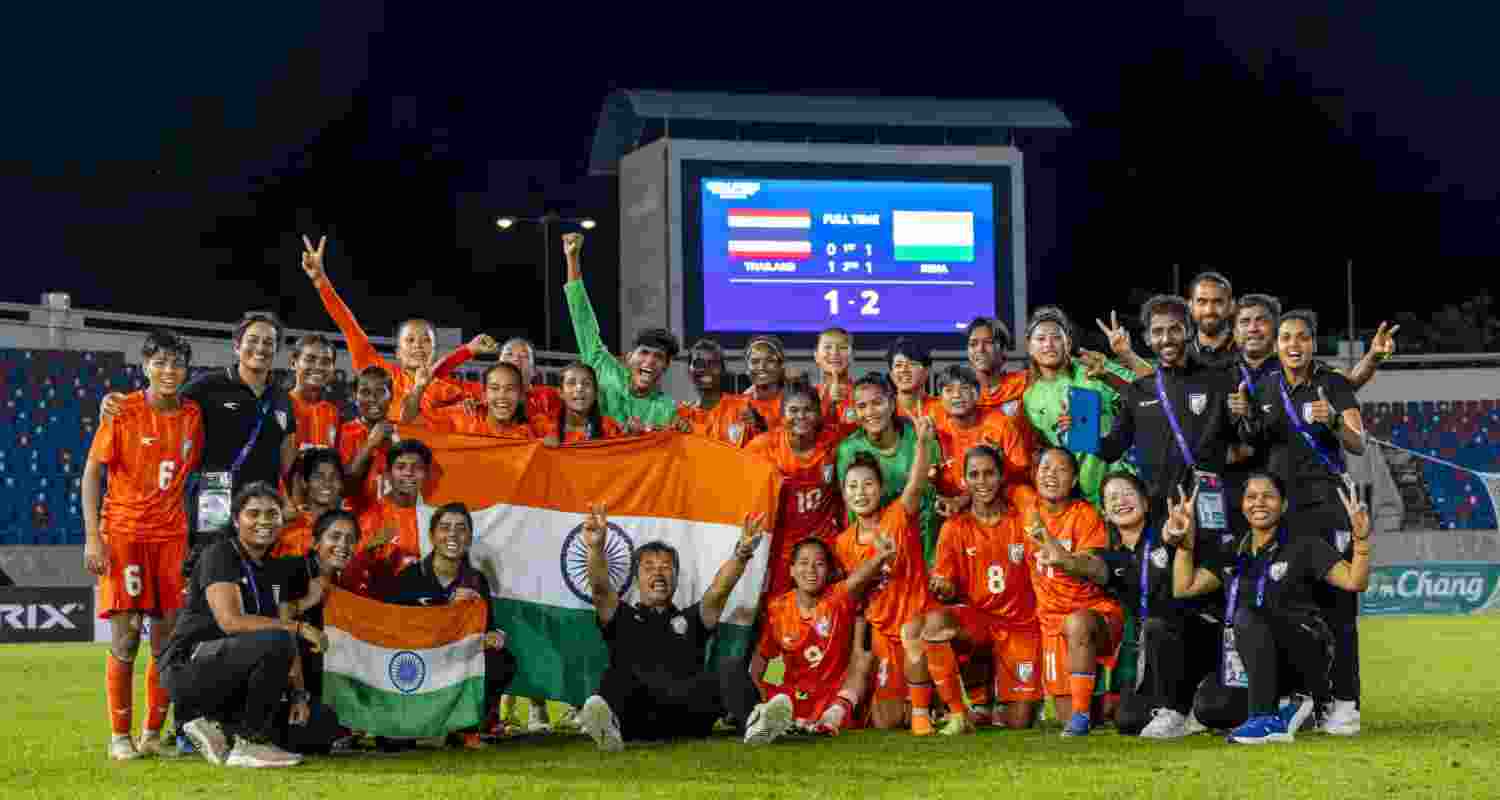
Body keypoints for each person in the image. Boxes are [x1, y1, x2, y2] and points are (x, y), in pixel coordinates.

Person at [1239, 310, 1370, 735]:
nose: (1294, 345)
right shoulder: (1263, 387)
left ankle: (1345, 702)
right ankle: (1303, 699)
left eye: (1302, 338)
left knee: (1337, 605)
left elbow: (1358, 442)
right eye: (1286, 338)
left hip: (1328, 508)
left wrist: (1332, 417)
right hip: (1284, 513)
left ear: (1314, 343)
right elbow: (1251, 446)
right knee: (1286, 605)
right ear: (1277, 345)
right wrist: (1243, 416)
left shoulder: (1331, 383)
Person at [1172, 474, 1371, 744]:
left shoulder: (1304, 544)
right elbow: (1184, 587)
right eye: (1251, 497)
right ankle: (1293, 707)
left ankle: (1268, 718)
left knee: (1248, 615)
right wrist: (1184, 544)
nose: (1259, 503)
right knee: (1212, 708)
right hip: (1255, 660)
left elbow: (1354, 581)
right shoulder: (1233, 549)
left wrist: (1360, 541)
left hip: (1304, 647)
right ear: (1242, 505)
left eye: (1268, 496)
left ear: (1284, 504)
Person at [576, 506, 795, 751]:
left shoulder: (691, 618)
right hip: (638, 716)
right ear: (636, 579)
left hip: (690, 714)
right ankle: (609, 729)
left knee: (728, 665)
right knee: (614, 675)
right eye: (649, 567)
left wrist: (742, 554)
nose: (658, 573)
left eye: (666, 567)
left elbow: (719, 591)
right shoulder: (621, 615)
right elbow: (600, 589)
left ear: (676, 576)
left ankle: (757, 723)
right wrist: (595, 547)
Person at [82, 329, 205, 760]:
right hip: (125, 536)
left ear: (186, 369)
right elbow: (91, 474)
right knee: (127, 635)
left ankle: (152, 733)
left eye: (176, 364)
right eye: (160, 363)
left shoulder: (193, 414)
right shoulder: (122, 410)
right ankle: (120, 736)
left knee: (166, 641)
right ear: (145, 366)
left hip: (171, 539)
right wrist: (92, 537)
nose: (168, 371)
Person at [1033, 472, 1220, 739]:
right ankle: (1185, 707)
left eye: (1127, 493)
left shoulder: (1164, 534)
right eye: (1111, 497)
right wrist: (1064, 560)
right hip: (1155, 649)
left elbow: (1173, 537)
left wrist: (1178, 534)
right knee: (1128, 720)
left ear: (1145, 503)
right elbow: (1091, 565)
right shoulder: (1113, 556)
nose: (1120, 500)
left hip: (1193, 637)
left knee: (1158, 624)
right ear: (1105, 513)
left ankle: (1177, 709)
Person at [160, 482, 329, 768]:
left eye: (272, 514)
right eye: (254, 513)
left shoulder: (271, 570)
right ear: (236, 520)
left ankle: (214, 728)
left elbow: (281, 630)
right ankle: (248, 742)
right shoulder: (220, 555)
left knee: (319, 728)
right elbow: (231, 622)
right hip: (188, 665)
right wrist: (299, 629)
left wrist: (299, 694)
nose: (264, 521)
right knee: (278, 637)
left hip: (230, 670)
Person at [104, 314, 298, 544]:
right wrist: (118, 404)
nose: (260, 348)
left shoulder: (281, 398)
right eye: (253, 340)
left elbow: (287, 458)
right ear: (237, 346)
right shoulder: (208, 385)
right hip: (214, 501)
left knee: (253, 573)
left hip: (261, 508)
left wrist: (286, 499)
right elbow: (163, 405)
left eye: (268, 342)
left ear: (276, 350)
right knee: (211, 568)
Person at [917, 444, 1043, 735]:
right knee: (936, 622)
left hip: (1020, 625)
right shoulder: (954, 527)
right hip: (979, 622)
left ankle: (990, 705)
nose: (982, 481)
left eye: (989, 473)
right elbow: (946, 586)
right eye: (974, 474)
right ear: (964, 481)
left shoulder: (1020, 520)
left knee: (1019, 722)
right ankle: (961, 712)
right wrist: (943, 587)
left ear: (1001, 478)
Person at [1094, 295, 1245, 526]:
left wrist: (1246, 418)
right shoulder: (1140, 390)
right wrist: (1079, 431)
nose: (1166, 339)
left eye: (1175, 329)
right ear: (1146, 338)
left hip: (1210, 507)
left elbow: (1247, 442)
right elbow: (1111, 449)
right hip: (1158, 512)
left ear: (1190, 331)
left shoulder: (1219, 380)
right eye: (1157, 332)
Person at [832, 418, 938, 731]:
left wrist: (922, 444)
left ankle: (947, 701)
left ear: (880, 488)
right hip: (882, 631)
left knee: (914, 710)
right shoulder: (842, 543)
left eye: (867, 485)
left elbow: (917, 482)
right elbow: (851, 596)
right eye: (852, 486)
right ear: (844, 493)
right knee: (887, 721)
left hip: (916, 621)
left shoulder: (898, 515)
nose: (860, 493)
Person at [386, 503, 517, 749]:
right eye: (445, 528)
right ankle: (427, 725)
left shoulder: (476, 580)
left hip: (457, 662)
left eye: (461, 529)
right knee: (394, 741)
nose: (453, 535)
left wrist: (492, 636)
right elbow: (397, 632)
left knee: (501, 660)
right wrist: (446, 607)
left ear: (468, 538)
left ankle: (464, 727)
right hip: (418, 664)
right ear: (432, 536)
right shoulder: (409, 578)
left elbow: (486, 627)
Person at [299, 234, 468, 419]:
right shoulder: (381, 373)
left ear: (434, 351)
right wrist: (321, 282)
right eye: (410, 340)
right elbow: (349, 325)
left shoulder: (450, 392)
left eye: (426, 340)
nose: (418, 345)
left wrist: (469, 406)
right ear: (397, 351)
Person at [1023, 447, 1125, 737]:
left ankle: (1085, 715)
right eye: (1045, 468)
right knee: (1063, 713)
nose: (1050, 474)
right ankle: (1087, 708)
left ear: (1075, 478)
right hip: (1051, 622)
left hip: (1093, 615)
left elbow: (1095, 567)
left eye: (1060, 469)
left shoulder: (1086, 515)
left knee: (1078, 622)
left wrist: (1064, 558)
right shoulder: (1027, 513)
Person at [751, 534, 897, 735]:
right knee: (773, 698)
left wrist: (881, 556)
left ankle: (831, 718)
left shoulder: (836, 598)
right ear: (791, 570)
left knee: (864, 661)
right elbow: (762, 657)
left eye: (819, 564)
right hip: (796, 692)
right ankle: (787, 721)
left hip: (834, 691)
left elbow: (858, 578)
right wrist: (756, 690)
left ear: (828, 572)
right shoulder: (778, 609)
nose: (810, 570)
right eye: (803, 563)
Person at [1023, 306, 1137, 507]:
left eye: (1056, 337)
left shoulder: (1094, 368)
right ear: (1029, 347)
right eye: (1040, 339)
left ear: (1068, 342)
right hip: (1075, 497)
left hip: (1118, 486)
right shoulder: (1030, 398)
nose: (1049, 345)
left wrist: (1126, 356)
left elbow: (1148, 389)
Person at [563, 232, 680, 428]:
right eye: (644, 352)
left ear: (666, 366)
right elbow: (582, 318)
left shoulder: (667, 410)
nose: (649, 361)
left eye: (659, 357)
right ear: (628, 357)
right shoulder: (603, 368)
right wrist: (572, 259)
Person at [745, 379, 849, 597]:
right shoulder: (762, 447)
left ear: (819, 414)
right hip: (780, 548)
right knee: (777, 611)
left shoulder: (835, 440)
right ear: (782, 415)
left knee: (827, 610)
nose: (801, 416)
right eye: (793, 410)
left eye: (808, 410)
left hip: (824, 544)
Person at [835, 374, 945, 564]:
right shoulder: (848, 450)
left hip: (926, 547)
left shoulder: (921, 438)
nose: (870, 412)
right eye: (861, 406)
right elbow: (854, 511)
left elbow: (934, 494)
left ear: (892, 404)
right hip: (880, 551)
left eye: (877, 403)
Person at [931, 365, 1030, 502]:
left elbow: (1022, 476)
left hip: (995, 503)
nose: (956, 395)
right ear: (940, 398)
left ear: (977, 394)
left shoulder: (1000, 425)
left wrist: (1003, 462)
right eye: (949, 390)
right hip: (946, 505)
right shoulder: (934, 426)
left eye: (964, 389)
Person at [354, 438, 434, 597]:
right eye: (401, 467)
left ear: (426, 474)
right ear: (388, 474)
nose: (409, 473)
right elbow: (354, 570)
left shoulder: (434, 519)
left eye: (417, 467)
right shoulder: (370, 518)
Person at [404, 362, 543, 439]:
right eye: (494, 388)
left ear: (520, 397)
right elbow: (410, 421)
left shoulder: (526, 436)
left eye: (510, 388)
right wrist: (419, 387)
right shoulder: (463, 416)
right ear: (484, 395)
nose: (502, 395)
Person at [674, 338, 760, 447]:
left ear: (723, 370)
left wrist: (759, 424)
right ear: (689, 371)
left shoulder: (744, 405)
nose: (706, 369)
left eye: (713, 363)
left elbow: (765, 445)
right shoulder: (681, 415)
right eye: (699, 363)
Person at [338, 366, 397, 514]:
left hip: (392, 526)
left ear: (392, 396)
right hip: (356, 524)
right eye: (365, 392)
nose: (372, 399)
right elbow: (343, 488)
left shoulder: (401, 434)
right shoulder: (344, 432)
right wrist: (370, 444)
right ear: (354, 396)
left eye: (380, 392)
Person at [273, 448, 347, 558]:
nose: (327, 483)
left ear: (341, 484)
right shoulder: (289, 531)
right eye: (318, 476)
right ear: (304, 482)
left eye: (334, 476)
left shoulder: (351, 528)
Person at [535, 362, 628, 444]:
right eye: (571, 383)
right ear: (560, 392)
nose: (579, 388)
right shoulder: (541, 426)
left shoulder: (609, 428)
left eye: (586, 383)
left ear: (596, 393)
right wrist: (540, 445)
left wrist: (634, 434)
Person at [287, 334, 341, 452]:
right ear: (293, 363)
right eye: (310, 359)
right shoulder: (278, 405)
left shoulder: (333, 411)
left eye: (326, 362)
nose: (318, 367)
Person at [966, 316, 1027, 419]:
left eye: (988, 342)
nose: (980, 349)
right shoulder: (961, 395)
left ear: (1004, 350)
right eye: (973, 344)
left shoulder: (1024, 382)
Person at [743, 334, 789, 430]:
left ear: (781, 366)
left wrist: (762, 426)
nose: (761, 367)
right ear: (747, 368)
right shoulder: (740, 404)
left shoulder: (796, 401)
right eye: (755, 361)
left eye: (770, 361)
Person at [888, 338, 942, 420]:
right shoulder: (883, 410)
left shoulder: (942, 408)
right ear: (891, 374)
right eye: (898, 365)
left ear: (926, 371)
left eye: (912, 364)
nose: (904, 370)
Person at [814, 326, 857, 427]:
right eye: (827, 347)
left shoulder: (864, 394)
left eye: (842, 347)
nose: (834, 353)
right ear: (816, 356)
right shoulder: (807, 395)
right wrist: (829, 404)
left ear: (852, 356)